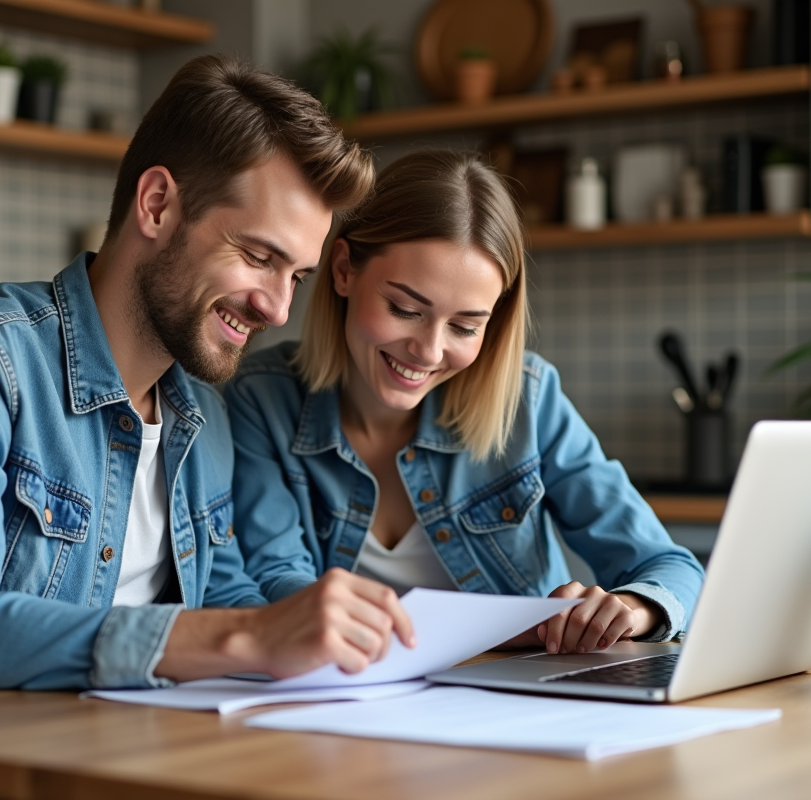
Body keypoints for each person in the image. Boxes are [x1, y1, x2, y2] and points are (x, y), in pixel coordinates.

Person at [0, 55, 416, 795]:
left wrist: (330, 635)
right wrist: (239, 637)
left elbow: (228, 600)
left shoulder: (201, 412)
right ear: (157, 205)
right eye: (258, 256)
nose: (278, 309)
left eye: (297, 277)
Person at [225, 150, 705, 654]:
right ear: (344, 270)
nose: (429, 351)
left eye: (464, 326)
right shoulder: (263, 399)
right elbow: (277, 584)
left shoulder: (528, 400)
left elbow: (669, 568)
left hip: (520, 700)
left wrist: (633, 610)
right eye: (405, 309)